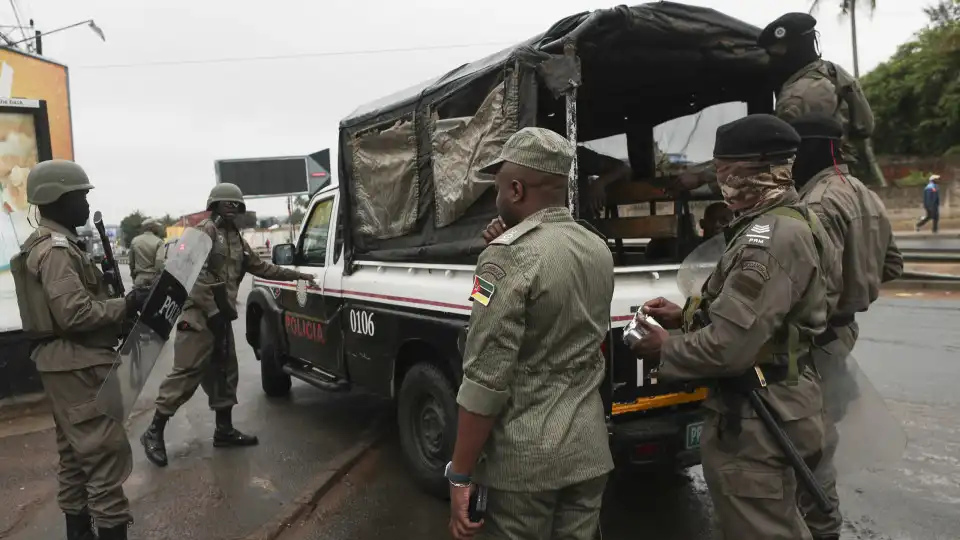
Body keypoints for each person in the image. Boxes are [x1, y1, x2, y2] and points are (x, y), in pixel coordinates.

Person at [629, 115, 838, 540]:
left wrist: (663, 349)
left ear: (752, 171)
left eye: (724, 170)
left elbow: (729, 347)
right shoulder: (789, 220)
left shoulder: (771, 236)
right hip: (781, 398)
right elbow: (760, 313)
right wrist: (686, 314)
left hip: (762, 414)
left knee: (758, 528)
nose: (720, 180)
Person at [448, 127, 613, 540]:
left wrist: (459, 476)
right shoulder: (597, 247)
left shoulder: (505, 257)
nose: (497, 197)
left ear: (517, 189)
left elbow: (486, 378)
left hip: (525, 464)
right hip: (588, 452)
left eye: (499, 188)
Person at [11, 160, 150, 540]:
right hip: (80, 365)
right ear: (56, 199)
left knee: (75, 458)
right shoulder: (56, 250)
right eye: (80, 196)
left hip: (64, 365)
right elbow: (75, 314)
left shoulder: (49, 245)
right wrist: (129, 304)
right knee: (104, 459)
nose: (86, 205)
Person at [139, 183, 314, 467]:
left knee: (224, 374)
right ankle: (153, 431)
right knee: (186, 375)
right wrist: (211, 309)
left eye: (236, 205)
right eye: (227, 204)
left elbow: (262, 267)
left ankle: (224, 430)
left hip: (221, 318)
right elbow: (187, 275)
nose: (232, 209)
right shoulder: (201, 232)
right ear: (215, 205)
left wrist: (296, 275)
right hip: (198, 318)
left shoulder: (236, 238)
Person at [790, 113, 903, 540]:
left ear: (811, 151)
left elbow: (817, 289)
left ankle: (821, 526)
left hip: (817, 339)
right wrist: (862, 282)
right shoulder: (865, 194)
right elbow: (893, 264)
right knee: (818, 436)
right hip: (844, 333)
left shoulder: (815, 202)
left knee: (808, 446)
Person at [674, 12, 879, 193]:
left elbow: (771, 153)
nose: (773, 61)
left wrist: (704, 175)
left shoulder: (797, 97)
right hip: (843, 177)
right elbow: (865, 127)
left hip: (809, 184)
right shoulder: (834, 72)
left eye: (775, 54)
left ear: (790, 51)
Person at [129, 218, 166, 287]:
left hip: (139, 278)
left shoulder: (135, 241)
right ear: (152, 227)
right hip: (154, 279)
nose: (158, 228)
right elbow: (159, 262)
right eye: (156, 226)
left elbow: (131, 262)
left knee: (138, 297)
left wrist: (134, 277)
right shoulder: (159, 242)